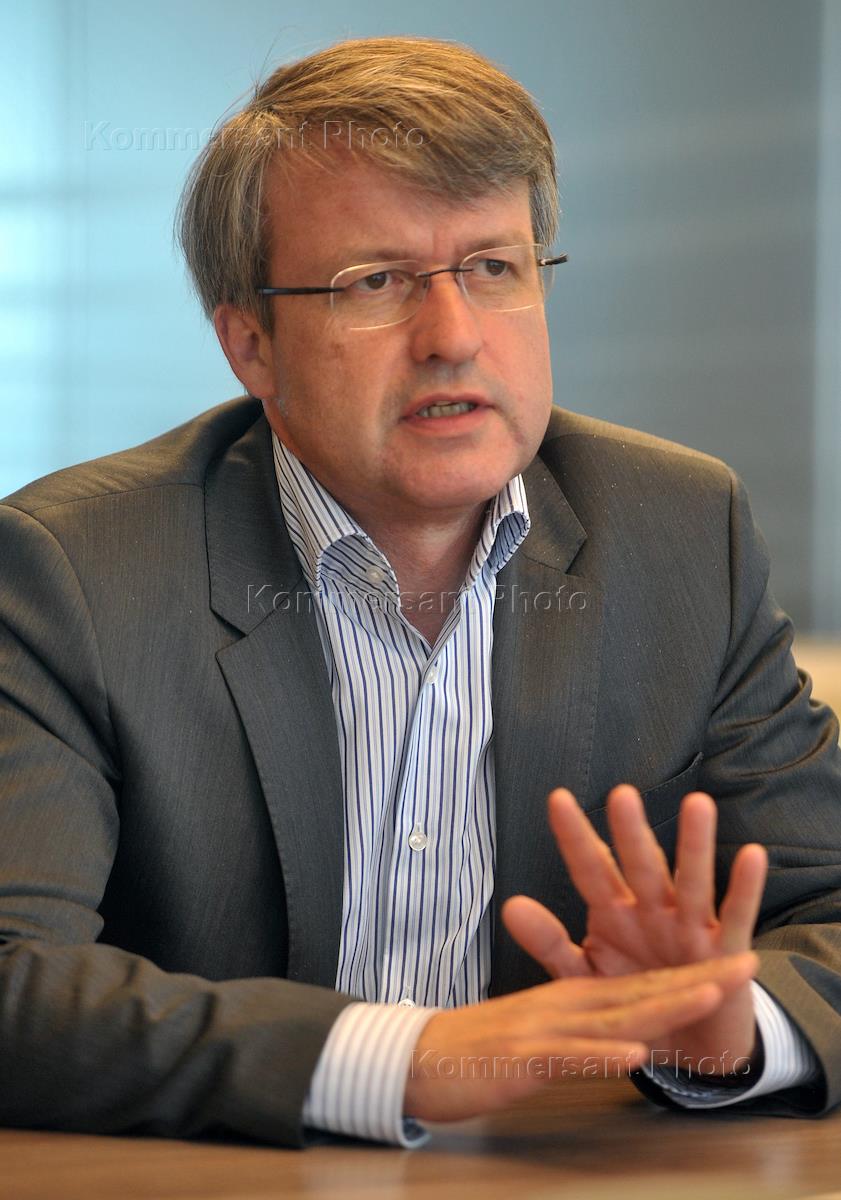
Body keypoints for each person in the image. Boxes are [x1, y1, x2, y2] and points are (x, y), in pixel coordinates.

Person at [1, 35, 839, 1149]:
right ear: (251, 344)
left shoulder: (682, 532)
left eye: (493, 267)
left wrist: (731, 1029)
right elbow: (15, 978)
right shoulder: (72, 569)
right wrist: (401, 1059)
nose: (452, 337)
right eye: (375, 282)